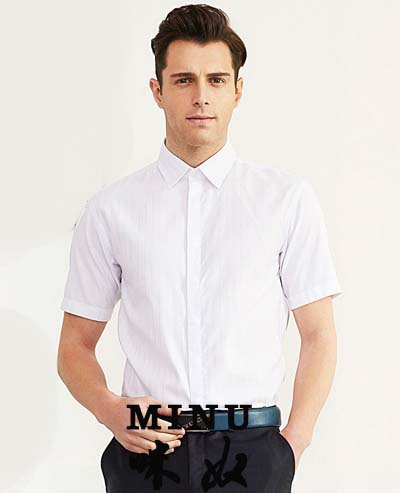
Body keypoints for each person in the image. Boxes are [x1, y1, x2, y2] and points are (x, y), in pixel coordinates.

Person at [57, 4, 342, 492]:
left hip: (255, 452)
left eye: (216, 80)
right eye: (184, 80)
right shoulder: (111, 210)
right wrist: (109, 410)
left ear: (237, 91)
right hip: (146, 451)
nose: (201, 96)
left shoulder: (285, 200)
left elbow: (318, 334)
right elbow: (74, 346)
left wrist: (292, 444)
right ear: (158, 91)